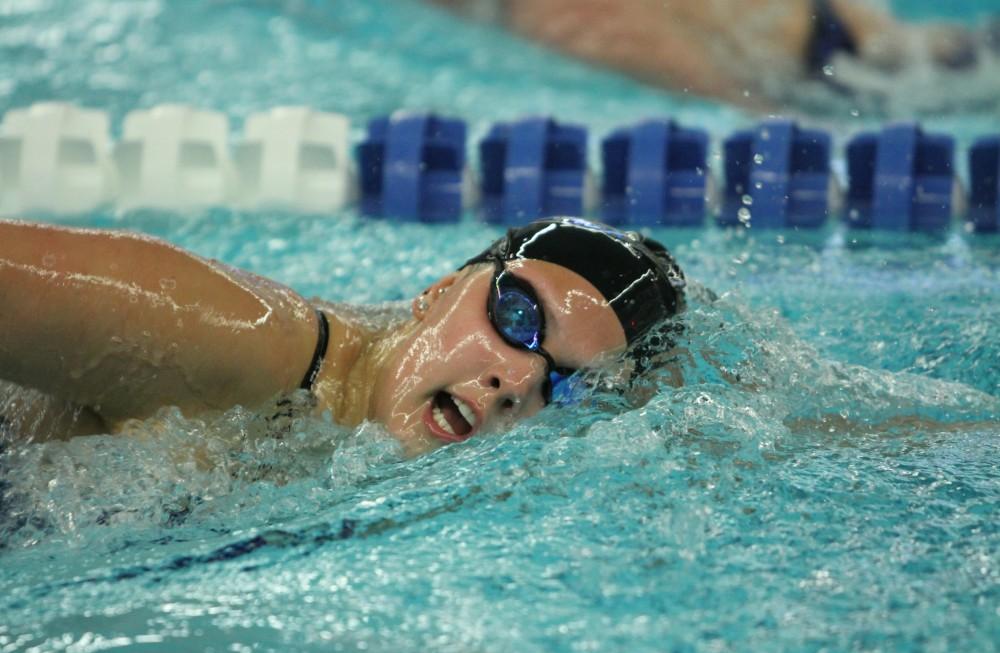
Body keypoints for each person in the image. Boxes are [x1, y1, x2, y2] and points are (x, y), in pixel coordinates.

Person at [0, 217, 685, 457]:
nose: (522, 381)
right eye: (519, 316)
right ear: (441, 288)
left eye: (566, 384)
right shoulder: (233, 338)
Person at [430, 0, 990, 107]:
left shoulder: (559, 12)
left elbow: (720, 93)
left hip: (842, 70)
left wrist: (780, 127)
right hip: (846, 32)